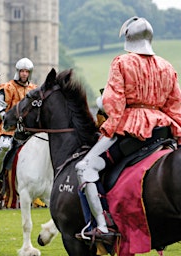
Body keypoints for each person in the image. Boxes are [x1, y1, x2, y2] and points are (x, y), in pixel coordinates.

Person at [74, 17, 181, 244]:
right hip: (161, 128)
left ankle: (103, 228)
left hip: (132, 126)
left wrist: (107, 118)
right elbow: (175, 105)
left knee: (84, 167)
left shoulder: (122, 62)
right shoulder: (166, 66)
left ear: (129, 38)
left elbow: (114, 103)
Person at [0, 57, 37, 195]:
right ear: (18, 72)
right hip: (9, 128)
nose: (24, 74)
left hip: (28, 130)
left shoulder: (34, 89)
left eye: (27, 71)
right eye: (22, 71)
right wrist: (7, 118)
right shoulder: (7, 88)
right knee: (3, 147)